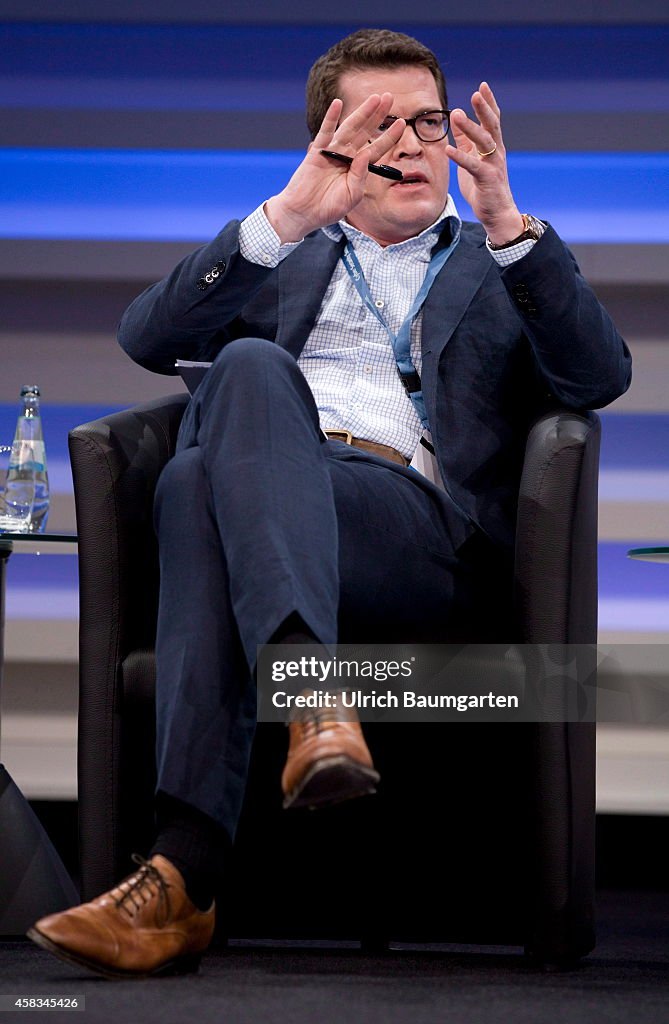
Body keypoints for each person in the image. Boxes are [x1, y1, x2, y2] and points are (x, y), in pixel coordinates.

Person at [28, 28, 631, 979]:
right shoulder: (287, 253)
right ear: (331, 141)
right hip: (274, 506)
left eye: (429, 121)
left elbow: (596, 378)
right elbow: (147, 336)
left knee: (212, 452)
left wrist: (509, 221)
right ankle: (194, 858)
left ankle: (197, 853)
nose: (411, 143)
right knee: (216, 438)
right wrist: (288, 214)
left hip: (422, 538)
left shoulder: (499, 264)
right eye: (379, 123)